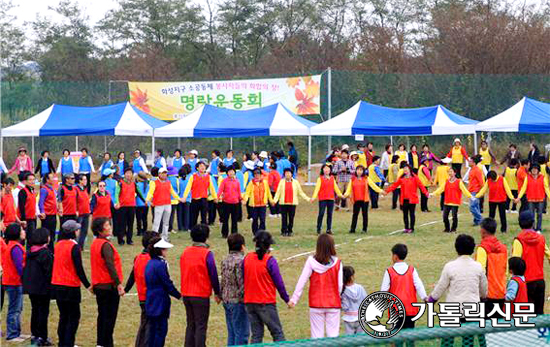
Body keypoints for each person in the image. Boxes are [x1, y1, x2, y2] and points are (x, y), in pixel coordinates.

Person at [427, 234, 488, 347]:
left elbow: (441, 287)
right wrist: (483, 298)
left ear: (456, 248)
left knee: (448, 341)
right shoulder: (478, 267)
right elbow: (484, 290)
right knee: (468, 341)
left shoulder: (450, 266)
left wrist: (431, 299)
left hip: (453, 308)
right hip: (472, 308)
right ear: (472, 248)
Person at [289, 234, 343, 339]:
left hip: (316, 304)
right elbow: (340, 285)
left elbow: (302, 280)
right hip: (333, 303)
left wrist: (294, 299)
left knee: (316, 337)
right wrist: (337, 296)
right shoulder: (338, 263)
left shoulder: (311, 262)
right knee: (333, 337)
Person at [51, 220, 93, 347]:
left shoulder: (58, 245)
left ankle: (62, 342)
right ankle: (69, 343)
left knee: (63, 315)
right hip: (70, 285)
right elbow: (78, 268)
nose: (78, 231)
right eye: (77, 229)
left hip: (57, 284)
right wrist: (87, 285)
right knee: (73, 317)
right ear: (73, 232)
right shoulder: (74, 247)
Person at [243, 231, 289, 343]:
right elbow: (279, 283)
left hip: (250, 302)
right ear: (269, 246)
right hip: (265, 302)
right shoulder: (270, 261)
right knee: (277, 333)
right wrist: (286, 299)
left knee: (256, 335)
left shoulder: (247, 258)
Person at [180, 224, 221, 347]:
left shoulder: (185, 252)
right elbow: (213, 275)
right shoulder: (207, 254)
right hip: (200, 294)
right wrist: (217, 292)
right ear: (206, 237)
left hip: (187, 293)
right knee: (201, 326)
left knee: (191, 324)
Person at [90, 217, 124, 347]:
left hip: (99, 284)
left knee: (102, 316)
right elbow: (110, 265)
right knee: (109, 318)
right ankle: (105, 343)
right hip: (108, 286)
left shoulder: (95, 243)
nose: (109, 227)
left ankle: (101, 343)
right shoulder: (105, 245)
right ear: (100, 230)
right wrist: (118, 283)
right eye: (106, 225)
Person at [381, 243, 427, 329]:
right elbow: (419, 285)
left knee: (395, 335)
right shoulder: (412, 270)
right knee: (410, 335)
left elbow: (383, 291)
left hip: (395, 309)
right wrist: (424, 297)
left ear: (395, 256)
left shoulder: (389, 271)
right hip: (411, 308)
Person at [512, 211, 550, 314]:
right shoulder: (541, 239)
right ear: (533, 223)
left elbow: (515, 262)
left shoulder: (519, 241)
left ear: (519, 223)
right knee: (539, 315)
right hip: (540, 281)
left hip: (526, 283)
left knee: (525, 315)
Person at [145, 237, 182, 347]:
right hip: (160, 302)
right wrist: (179, 296)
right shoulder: (161, 264)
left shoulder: (150, 263)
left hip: (151, 301)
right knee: (160, 331)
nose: (166, 251)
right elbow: (167, 284)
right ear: (160, 250)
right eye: (164, 249)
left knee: (152, 331)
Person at [22, 227, 53, 346]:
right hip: (43, 288)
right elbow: (49, 272)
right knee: (43, 312)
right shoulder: (45, 253)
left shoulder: (30, 251)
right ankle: (42, 336)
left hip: (32, 287)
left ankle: (35, 334)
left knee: (35, 310)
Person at [125, 231, 155, 347]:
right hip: (151, 297)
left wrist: (126, 289)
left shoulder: (138, 258)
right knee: (149, 325)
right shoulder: (152, 260)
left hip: (142, 297)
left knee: (144, 323)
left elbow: (132, 275)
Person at [473, 217, 507, 319]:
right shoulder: (503, 248)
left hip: (487, 295)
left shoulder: (482, 248)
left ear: (483, 230)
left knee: (485, 328)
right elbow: (506, 270)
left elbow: (480, 272)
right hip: (501, 292)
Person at [221, 233, 249, 346]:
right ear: (242, 246)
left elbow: (222, 279)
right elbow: (241, 282)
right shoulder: (241, 261)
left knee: (232, 332)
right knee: (241, 334)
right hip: (238, 301)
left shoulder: (225, 260)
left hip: (226, 299)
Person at [2, 223, 28, 342]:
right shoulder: (15, 248)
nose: (24, 232)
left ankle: (16, 332)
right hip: (14, 282)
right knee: (14, 308)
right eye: (22, 230)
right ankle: (12, 334)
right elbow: (20, 267)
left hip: (14, 282)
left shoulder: (14, 245)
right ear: (16, 233)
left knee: (18, 307)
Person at [386, 165, 429, 233]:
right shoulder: (402, 178)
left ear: (410, 169)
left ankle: (411, 228)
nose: (405, 170)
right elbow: (394, 186)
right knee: (405, 214)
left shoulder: (415, 177)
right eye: (404, 169)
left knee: (412, 214)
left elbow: (421, 186)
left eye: (406, 169)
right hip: (404, 199)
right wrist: (386, 191)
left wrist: (426, 193)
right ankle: (406, 228)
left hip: (412, 199)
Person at [343, 165, 384, 233]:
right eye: (358, 170)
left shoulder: (366, 178)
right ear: (356, 171)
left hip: (365, 200)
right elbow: (349, 189)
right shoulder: (352, 179)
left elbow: (373, 186)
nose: (359, 171)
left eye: (361, 170)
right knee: (355, 215)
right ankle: (352, 229)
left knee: (364, 215)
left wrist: (381, 191)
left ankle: (364, 229)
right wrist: (345, 195)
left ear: (363, 171)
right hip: (356, 200)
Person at [431, 166, 472, 233]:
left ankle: (453, 229)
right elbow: (440, 189)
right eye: (449, 171)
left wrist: (470, 196)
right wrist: (433, 194)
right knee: (445, 217)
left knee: (454, 217)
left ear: (455, 173)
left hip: (455, 202)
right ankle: (447, 229)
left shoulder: (459, 182)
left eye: (451, 171)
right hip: (447, 202)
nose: (450, 173)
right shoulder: (446, 181)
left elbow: (464, 190)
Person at [146, 168, 183, 240]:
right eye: (162, 173)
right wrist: (147, 199)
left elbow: (172, 192)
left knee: (166, 222)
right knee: (157, 222)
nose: (164, 175)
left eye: (165, 173)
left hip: (167, 204)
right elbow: (151, 192)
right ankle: (154, 237)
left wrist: (179, 198)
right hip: (159, 204)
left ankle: (165, 237)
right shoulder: (154, 182)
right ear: (159, 174)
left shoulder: (168, 182)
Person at [273, 168, 310, 236]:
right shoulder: (281, 182)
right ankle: (284, 231)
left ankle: (290, 230)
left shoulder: (295, 182)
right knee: (284, 218)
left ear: (291, 174)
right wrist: (274, 201)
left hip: (292, 203)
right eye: (286, 173)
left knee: (291, 218)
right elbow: (278, 193)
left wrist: (308, 199)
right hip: (283, 203)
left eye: (289, 173)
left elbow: (300, 192)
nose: (287, 174)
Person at [182, 162, 218, 228]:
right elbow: (188, 188)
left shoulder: (208, 177)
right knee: (194, 216)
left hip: (204, 199)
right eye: (201, 166)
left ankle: (204, 230)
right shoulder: (193, 177)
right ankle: (192, 229)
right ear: (197, 168)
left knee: (204, 216)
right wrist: (184, 197)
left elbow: (212, 188)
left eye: (204, 166)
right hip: (195, 200)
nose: (203, 167)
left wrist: (215, 197)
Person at [515, 163, 550, 231]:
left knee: (539, 214)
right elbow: (523, 188)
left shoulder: (543, 178)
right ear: (531, 170)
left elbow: (546, 189)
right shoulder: (527, 178)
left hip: (540, 199)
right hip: (531, 199)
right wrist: (518, 197)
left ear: (538, 170)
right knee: (531, 215)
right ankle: (532, 228)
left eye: (536, 169)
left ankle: (539, 228)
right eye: (533, 169)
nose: (534, 170)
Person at [116, 167, 146, 245]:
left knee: (130, 223)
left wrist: (144, 201)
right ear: (124, 174)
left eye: (130, 173)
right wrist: (117, 202)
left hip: (132, 206)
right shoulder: (120, 183)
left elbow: (139, 193)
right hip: (122, 206)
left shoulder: (134, 183)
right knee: (122, 224)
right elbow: (116, 193)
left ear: (132, 174)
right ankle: (121, 240)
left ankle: (129, 240)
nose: (128, 175)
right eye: (127, 173)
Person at [312, 164, 343, 234]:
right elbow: (317, 189)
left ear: (330, 170)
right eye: (325, 168)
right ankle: (318, 228)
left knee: (330, 214)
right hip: (322, 199)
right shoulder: (320, 179)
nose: (326, 170)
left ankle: (329, 229)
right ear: (322, 170)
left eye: (328, 168)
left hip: (331, 199)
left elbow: (336, 188)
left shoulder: (332, 178)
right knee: (321, 213)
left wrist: (341, 195)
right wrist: (313, 197)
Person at [243, 168, 273, 235]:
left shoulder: (264, 183)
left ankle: (262, 232)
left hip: (263, 204)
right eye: (255, 174)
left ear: (261, 175)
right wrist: (245, 200)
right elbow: (247, 193)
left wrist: (271, 200)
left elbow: (268, 192)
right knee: (255, 219)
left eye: (258, 174)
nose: (257, 176)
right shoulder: (251, 183)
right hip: (254, 205)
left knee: (262, 219)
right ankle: (255, 233)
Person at [341, 266, 367, 335]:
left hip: (349, 318)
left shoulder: (343, 291)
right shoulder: (360, 288)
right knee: (360, 339)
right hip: (361, 318)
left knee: (350, 340)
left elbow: (345, 307)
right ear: (352, 276)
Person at [217, 165, 241, 237]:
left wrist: (241, 199)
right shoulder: (224, 181)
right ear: (227, 173)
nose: (231, 173)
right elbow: (220, 190)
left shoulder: (237, 181)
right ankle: (224, 234)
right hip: (226, 202)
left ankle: (234, 233)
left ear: (234, 172)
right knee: (225, 219)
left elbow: (238, 191)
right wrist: (217, 198)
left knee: (234, 220)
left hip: (235, 203)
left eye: (232, 171)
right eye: (229, 171)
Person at [18, 171, 38, 248]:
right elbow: (21, 207)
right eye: (30, 180)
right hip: (26, 220)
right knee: (22, 240)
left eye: (33, 179)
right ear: (25, 181)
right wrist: (23, 220)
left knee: (31, 240)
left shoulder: (32, 191)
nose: (32, 181)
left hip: (33, 219)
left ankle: (29, 257)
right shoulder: (23, 191)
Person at [39, 172, 58, 251]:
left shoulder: (52, 189)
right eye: (51, 178)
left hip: (53, 215)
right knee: (46, 234)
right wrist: (42, 212)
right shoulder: (44, 189)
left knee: (52, 234)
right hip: (47, 216)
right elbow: (41, 202)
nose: (53, 179)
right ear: (47, 180)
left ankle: (51, 249)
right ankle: (45, 249)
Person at [467, 155, 485, 226]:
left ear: (474, 163)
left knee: (472, 207)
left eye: (470, 161)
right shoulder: (471, 169)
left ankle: (481, 219)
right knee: (476, 206)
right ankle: (477, 221)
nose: (469, 162)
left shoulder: (477, 170)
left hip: (475, 191)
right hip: (471, 191)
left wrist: (482, 191)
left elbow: (481, 182)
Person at [178, 165, 192, 232]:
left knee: (180, 214)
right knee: (187, 214)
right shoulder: (189, 180)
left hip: (179, 199)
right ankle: (186, 227)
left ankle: (180, 227)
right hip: (188, 199)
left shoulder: (178, 180)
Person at [136, 172, 150, 236]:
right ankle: (145, 230)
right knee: (145, 218)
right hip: (146, 203)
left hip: (138, 204)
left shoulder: (137, 184)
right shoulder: (147, 184)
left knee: (139, 219)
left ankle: (139, 231)